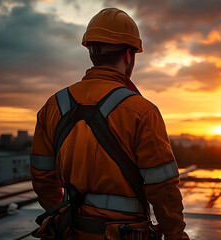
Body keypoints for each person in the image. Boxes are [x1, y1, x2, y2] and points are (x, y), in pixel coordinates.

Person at [30, 8, 189, 240]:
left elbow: (42, 178)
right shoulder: (142, 112)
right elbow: (163, 189)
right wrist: (176, 236)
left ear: (92, 52)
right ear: (128, 55)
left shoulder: (52, 106)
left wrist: (63, 218)